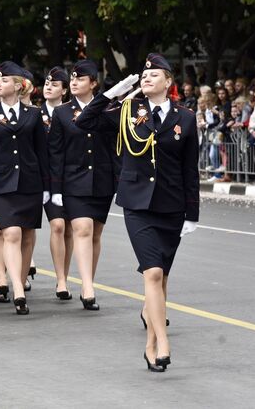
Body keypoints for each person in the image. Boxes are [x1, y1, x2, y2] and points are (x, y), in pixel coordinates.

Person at [75, 53, 200, 372]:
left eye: (154, 75)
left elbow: (190, 169)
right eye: (144, 76)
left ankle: (150, 344)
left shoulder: (185, 118)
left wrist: (192, 214)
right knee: (153, 272)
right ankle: (163, 342)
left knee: (162, 277)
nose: (146, 79)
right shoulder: (129, 110)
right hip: (138, 205)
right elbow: (85, 121)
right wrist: (113, 92)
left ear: (168, 82)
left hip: (171, 206)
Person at [0, 61, 50, 315]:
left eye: (4, 81)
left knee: (28, 236)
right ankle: (18, 289)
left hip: (30, 183)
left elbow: (42, 152)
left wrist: (47, 186)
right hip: (2, 184)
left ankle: (19, 280)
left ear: (19, 86)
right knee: (11, 234)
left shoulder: (34, 114)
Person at [49, 60, 115, 310]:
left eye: (80, 79)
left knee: (95, 233)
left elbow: (114, 147)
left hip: (102, 180)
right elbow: (55, 153)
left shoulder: (108, 110)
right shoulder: (62, 112)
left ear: (94, 83)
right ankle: (87, 287)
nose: (74, 82)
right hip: (73, 181)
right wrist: (55, 189)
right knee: (83, 229)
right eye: (72, 79)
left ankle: (89, 278)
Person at [40, 67, 74, 300]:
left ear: (64, 90)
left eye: (54, 85)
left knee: (70, 229)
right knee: (58, 226)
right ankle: (60, 278)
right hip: (45, 178)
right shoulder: (33, 113)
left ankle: (64, 276)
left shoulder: (72, 113)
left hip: (70, 176)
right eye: (46, 83)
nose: (48, 87)